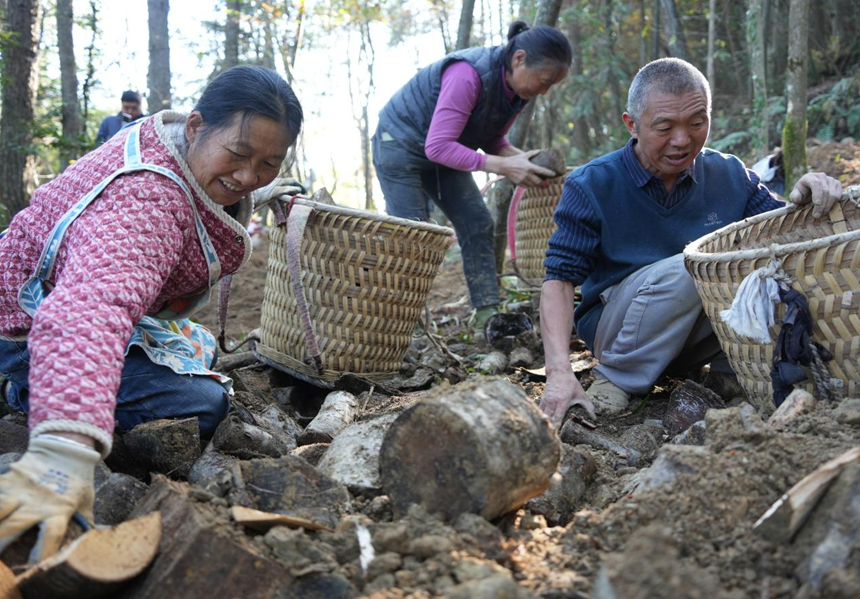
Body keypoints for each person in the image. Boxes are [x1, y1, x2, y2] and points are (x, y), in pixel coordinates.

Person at [0, 65, 303, 562]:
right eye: (240, 154)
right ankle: (25, 384)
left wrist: (271, 190)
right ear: (195, 126)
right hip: (27, 320)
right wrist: (64, 451)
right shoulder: (147, 199)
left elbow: (233, 185)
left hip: (51, 284)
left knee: (195, 342)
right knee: (203, 403)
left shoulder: (169, 144)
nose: (249, 176)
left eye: (270, 163)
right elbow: (89, 309)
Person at [539, 58, 843, 426]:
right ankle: (618, 378)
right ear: (631, 124)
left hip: (700, 338)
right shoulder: (592, 184)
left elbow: (779, 236)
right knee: (697, 264)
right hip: (621, 333)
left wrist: (804, 198)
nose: (682, 140)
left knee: (765, 269)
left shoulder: (728, 173)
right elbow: (558, 279)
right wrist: (558, 372)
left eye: (697, 123)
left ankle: (732, 373)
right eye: (664, 127)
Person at [372, 21, 572, 326]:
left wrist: (522, 160)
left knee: (477, 222)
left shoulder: (517, 93)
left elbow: (493, 140)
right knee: (411, 237)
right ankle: (402, 326)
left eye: (550, 86)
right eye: (543, 81)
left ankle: (486, 314)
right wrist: (504, 166)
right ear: (519, 59)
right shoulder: (467, 75)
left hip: (441, 149)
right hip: (399, 143)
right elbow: (438, 147)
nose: (543, 92)